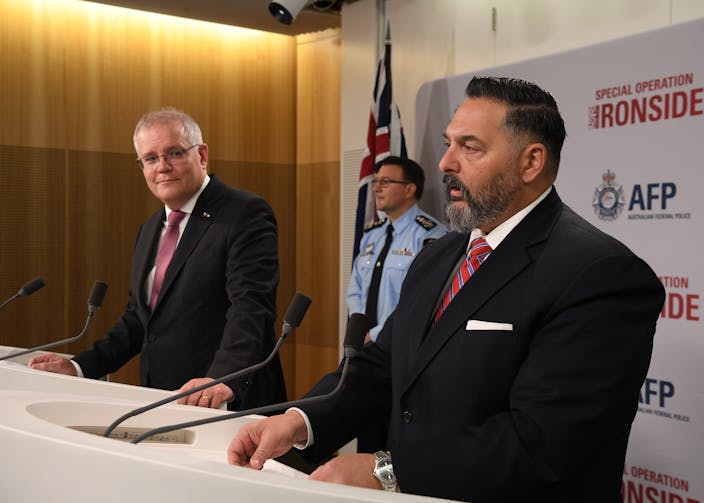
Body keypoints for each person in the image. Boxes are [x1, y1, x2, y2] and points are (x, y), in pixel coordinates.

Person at [227, 77, 665, 501]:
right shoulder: (441, 253)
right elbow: (381, 366)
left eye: (469, 147)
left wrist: (388, 472)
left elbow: (544, 442)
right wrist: (298, 418)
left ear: (531, 162)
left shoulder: (600, 274)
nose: (445, 163)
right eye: (449, 143)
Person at [29, 107, 286, 411]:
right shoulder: (150, 229)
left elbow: (250, 308)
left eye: (174, 153)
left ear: (202, 155)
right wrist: (80, 367)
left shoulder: (244, 214)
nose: (162, 167)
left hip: (224, 403)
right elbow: (140, 318)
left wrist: (220, 379)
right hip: (161, 399)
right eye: (151, 158)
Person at [346, 156, 446, 453]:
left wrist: (377, 334)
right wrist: (359, 329)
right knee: (366, 433)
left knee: (394, 442)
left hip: (402, 351)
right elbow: (356, 290)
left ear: (409, 189)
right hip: (366, 350)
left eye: (386, 182)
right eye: (375, 181)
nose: (376, 188)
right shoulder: (372, 235)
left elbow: (421, 301)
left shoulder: (431, 236)